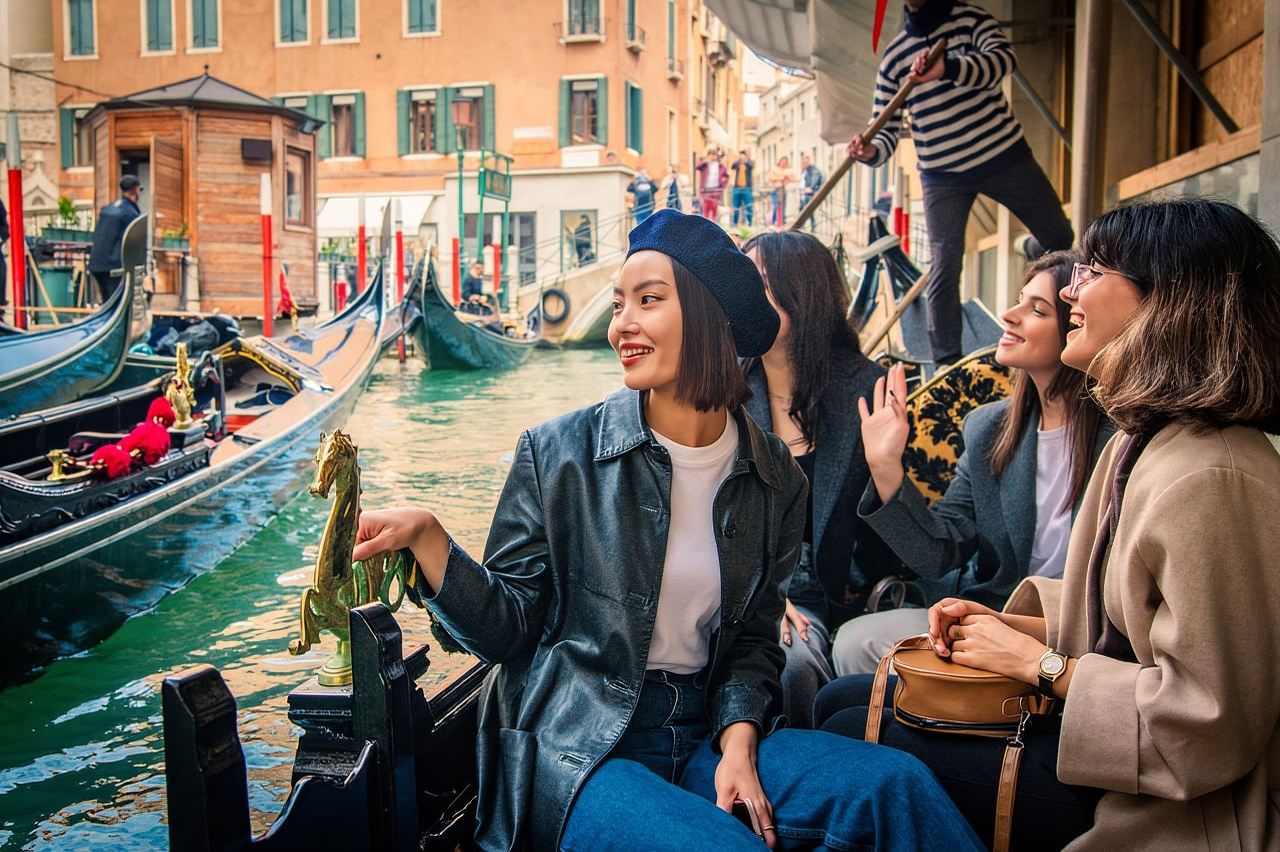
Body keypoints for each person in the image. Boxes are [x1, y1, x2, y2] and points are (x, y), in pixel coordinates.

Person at [351, 209, 983, 852]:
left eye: (647, 301)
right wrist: (430, 540)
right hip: (578, 750)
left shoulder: (775, 478)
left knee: (894, 788)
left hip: (707, 728)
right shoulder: (558, 453)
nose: (621, 323)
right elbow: (508, 631)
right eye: (620, 302)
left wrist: (739, 739)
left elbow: (754, 642)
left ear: (710, 318)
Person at [816, 198, 1280, 850]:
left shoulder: (1207, 473)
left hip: (1164, 797)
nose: (1071, 289)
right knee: (838, 699)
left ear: (1167, 301)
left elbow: (1208, 727)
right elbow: (1127, 621)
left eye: (1093, 271)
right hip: (1094, 714)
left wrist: (1037, 660)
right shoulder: (1135, 442)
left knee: (842, 737)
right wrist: (1011, 625)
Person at [824, 251, 1110, 677]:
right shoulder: (987, 429)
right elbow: (942, 552)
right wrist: (885, 466)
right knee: (853, 642)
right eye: (1018, 300)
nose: (1009, 316)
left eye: (1036, 309)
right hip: (993, 616)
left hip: (1087, 636)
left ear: (1077, 324)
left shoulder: (1121, 437)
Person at [847, 0, 1073, 364]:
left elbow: (1003, 61)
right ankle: (947, 363)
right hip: (942, 175)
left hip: (1003, 154)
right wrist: (868, 150)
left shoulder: (972, 20)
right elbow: (885, 133)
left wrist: (948, 67)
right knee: (945, 265)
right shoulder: (894, 58)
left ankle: (1032, 252)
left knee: (1059, 238)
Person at [739, 230, 899, 729]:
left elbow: (883, 557)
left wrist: (886, 469)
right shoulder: (724, 388)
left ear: (801, 294)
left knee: (789, 665)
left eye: (758, 283)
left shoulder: (866, 388)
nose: (742, 298)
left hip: (827, 596)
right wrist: (762, 593)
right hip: (740, 587)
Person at [88, 174, 143, 304]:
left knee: (107, 303)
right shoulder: (131, 213)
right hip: (114, 267)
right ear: (135, 190)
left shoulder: (109, 209)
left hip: (96, 265)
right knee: (117, 303)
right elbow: (133, 243)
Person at [695, 149, 728, 222]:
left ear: (716, 156)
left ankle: (714, 226)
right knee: (705, 209)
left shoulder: (721, 166)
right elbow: (697, 166)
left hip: (716, 190)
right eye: (711, 154)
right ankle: (706, 226)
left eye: (714, 155)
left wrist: (723, 184)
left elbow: (726, 176)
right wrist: (705, 160)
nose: (713, 156)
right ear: (708, 155)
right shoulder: (704, 165)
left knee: (714, 209)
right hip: (706, 190)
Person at [767, 157, 795, 228]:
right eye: (782, 162)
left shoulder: (786, 170)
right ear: (779, 162)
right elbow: (771, 178)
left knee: (783, 206)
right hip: (776, 189)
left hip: (783, 189)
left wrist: (783, 176)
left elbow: (792, 178)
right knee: (776, 206)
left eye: (785, 162)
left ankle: (782, 222)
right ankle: (773, 222)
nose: (783, 163)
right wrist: (782, 177)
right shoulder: (775, 169)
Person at [730, 150, 755, 227]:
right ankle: (734, 225)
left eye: (743, 156)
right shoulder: (737, 164)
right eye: (741, 156)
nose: (742, 157)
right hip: (737, 189)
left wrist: (746, 160)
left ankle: (750, 224)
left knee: (749, 207)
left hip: (747, 189)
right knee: (736, 207)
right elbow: (732, 166)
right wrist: (739, 160)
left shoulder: (749, 164)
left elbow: (752, 165)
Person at [799, 154, 823, 227]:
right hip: (805, 193)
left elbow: (814, 182)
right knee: (804, 209)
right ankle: (809, 224)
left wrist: (810, 188)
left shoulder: (814, 170)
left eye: (806, 162)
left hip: (810, 193)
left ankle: (811, 224)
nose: (804, 163)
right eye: (803, 162)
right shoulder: (807, 170)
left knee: (807, 209)